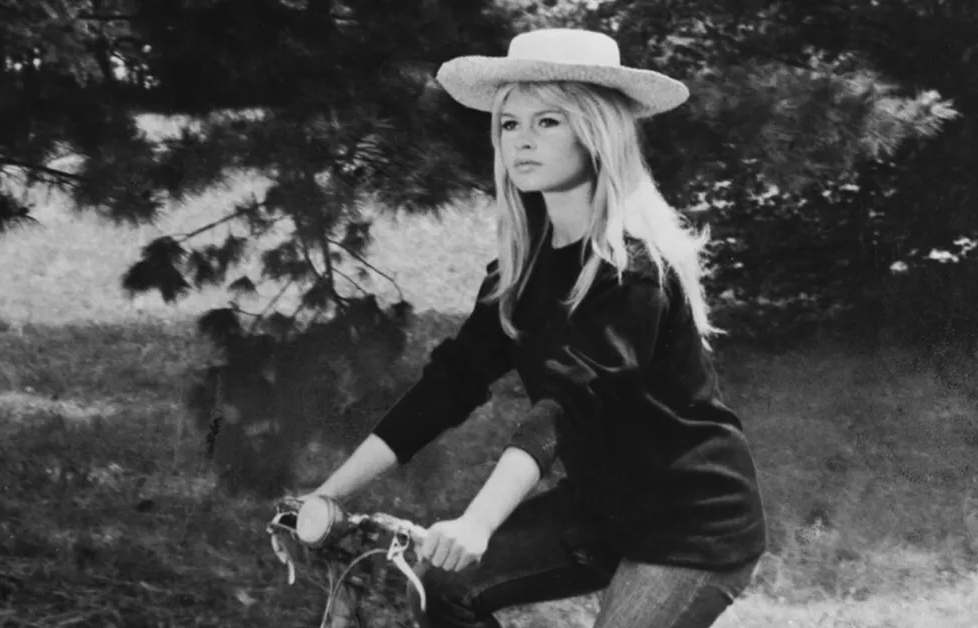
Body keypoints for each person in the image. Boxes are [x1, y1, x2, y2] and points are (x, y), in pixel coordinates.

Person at [298, 28, 768, 628]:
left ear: (597, 133)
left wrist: (478, 521)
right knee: (441, 588)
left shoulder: (633, 272)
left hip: (690, 524)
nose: (521, 140)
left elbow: (566, 406)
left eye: (548, 122)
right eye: (509, 123)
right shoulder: (525, 269)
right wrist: (327, 496)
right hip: (600, 509)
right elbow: (451, 383)